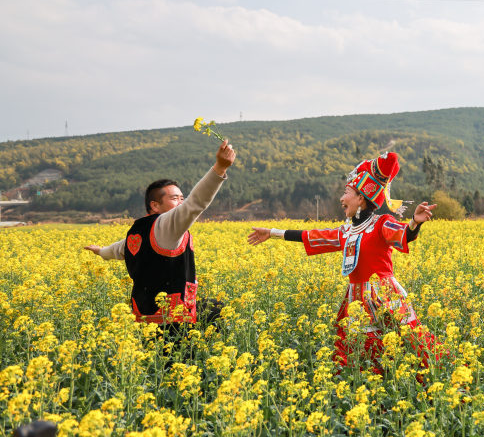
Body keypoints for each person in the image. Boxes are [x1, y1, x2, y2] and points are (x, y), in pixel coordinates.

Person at [247, 152, 438, 373]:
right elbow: (312, 236)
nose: (341, 199)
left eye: (346, 192)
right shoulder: (346, 231)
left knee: (412, 346)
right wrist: (272, 232)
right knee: (354, 357)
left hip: (385, 298)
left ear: (361, 198)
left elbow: (404, 234)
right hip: (355, 301)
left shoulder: (381, 223)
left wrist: (415, 222)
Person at [85, 139, 236, 331]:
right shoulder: (167, 226)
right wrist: (219, 169)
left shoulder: (138, 231)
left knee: (214, 308)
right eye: (175, 199)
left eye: (182, 198)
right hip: (171, 321)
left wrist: (100, 251)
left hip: (144, 316)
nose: (181, 203)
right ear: (155, 205)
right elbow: (195, 203)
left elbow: (118, 249)